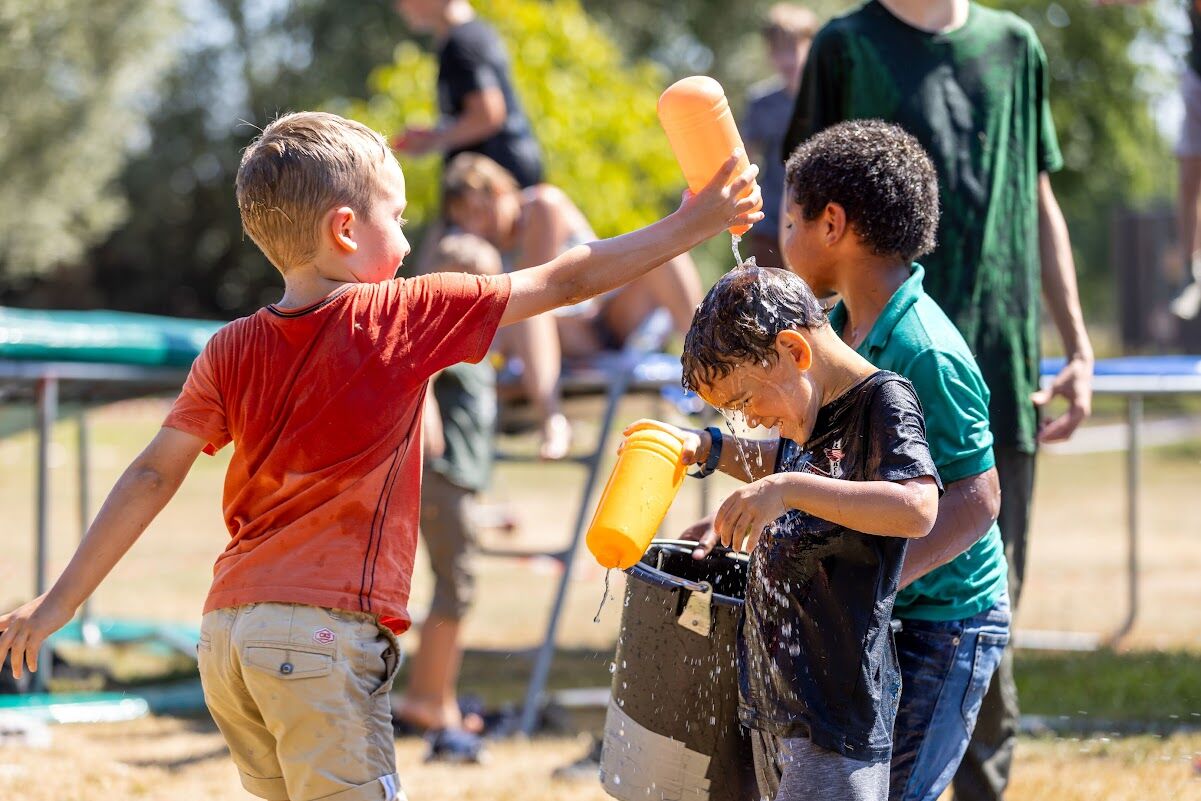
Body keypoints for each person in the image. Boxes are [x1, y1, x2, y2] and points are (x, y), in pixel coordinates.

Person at [0, 111, 762, 801]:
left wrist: (59, 599)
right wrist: (694, 222)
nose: (405, 239)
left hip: (227, 639)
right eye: (394, 217)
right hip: (320, 643)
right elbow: (568, 277)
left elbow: (149, 473)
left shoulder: (229, 347)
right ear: (344, 230)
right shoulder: (401, 312)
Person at [781, 3, 1095, 797]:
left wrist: (1078, 345)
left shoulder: (1014, 46)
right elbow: (805, 199)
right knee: (869, 629)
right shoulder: (845, 46)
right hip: (863, 360)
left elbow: (1037, 196)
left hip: (990, 369)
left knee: (971, 621)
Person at [628, 263, 942, 801]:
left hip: (837, 721)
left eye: (747, 400)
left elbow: (917, 507)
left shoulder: (882, 402)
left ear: (795, 352)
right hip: (779, 710)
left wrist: (786, 489)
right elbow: (782, 460)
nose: (749, 419)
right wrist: (708, 448)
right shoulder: (808, 410)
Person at [783, 119, 1009, 801]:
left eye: (789, 219)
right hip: (894, 609)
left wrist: (873, 588)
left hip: (943, 623)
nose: (780, 237)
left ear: (832, 223)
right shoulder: (845, 330)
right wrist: (712, 452)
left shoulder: (921, 348)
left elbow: (977, 497)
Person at [442, 152, 705, 459]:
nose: (477, 226)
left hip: (607, 310)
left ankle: (705, 358)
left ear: (499, 192)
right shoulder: (482, 247)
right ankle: (552, 420)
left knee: (667, 255)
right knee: (526, 308)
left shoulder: (542, 206)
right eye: (466, 220)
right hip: (567, 337)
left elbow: (546, 283)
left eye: (479, 212)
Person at [391, 234, 502, 763]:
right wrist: (427, 425)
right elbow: (422, 375)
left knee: (457, 587)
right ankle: (424, 700)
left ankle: (441, 697)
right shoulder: (436, 326)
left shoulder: (469, 338)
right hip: (442, 473)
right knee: (453, 587)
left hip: (457, 479)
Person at [393, 0, 542, 188]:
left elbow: (488, 115)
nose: (400, 5)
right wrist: (434, 135)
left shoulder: (463, 41)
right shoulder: (472, 35)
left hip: (497, 185)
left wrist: (432, 142)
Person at [741, 3, 819, 270]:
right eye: (778, 50)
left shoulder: (827, 100)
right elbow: (745, 161)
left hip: (817, 220)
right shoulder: (760, 103)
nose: (786, 59)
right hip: (770, 221)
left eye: (792, 48)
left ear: (810, 45)